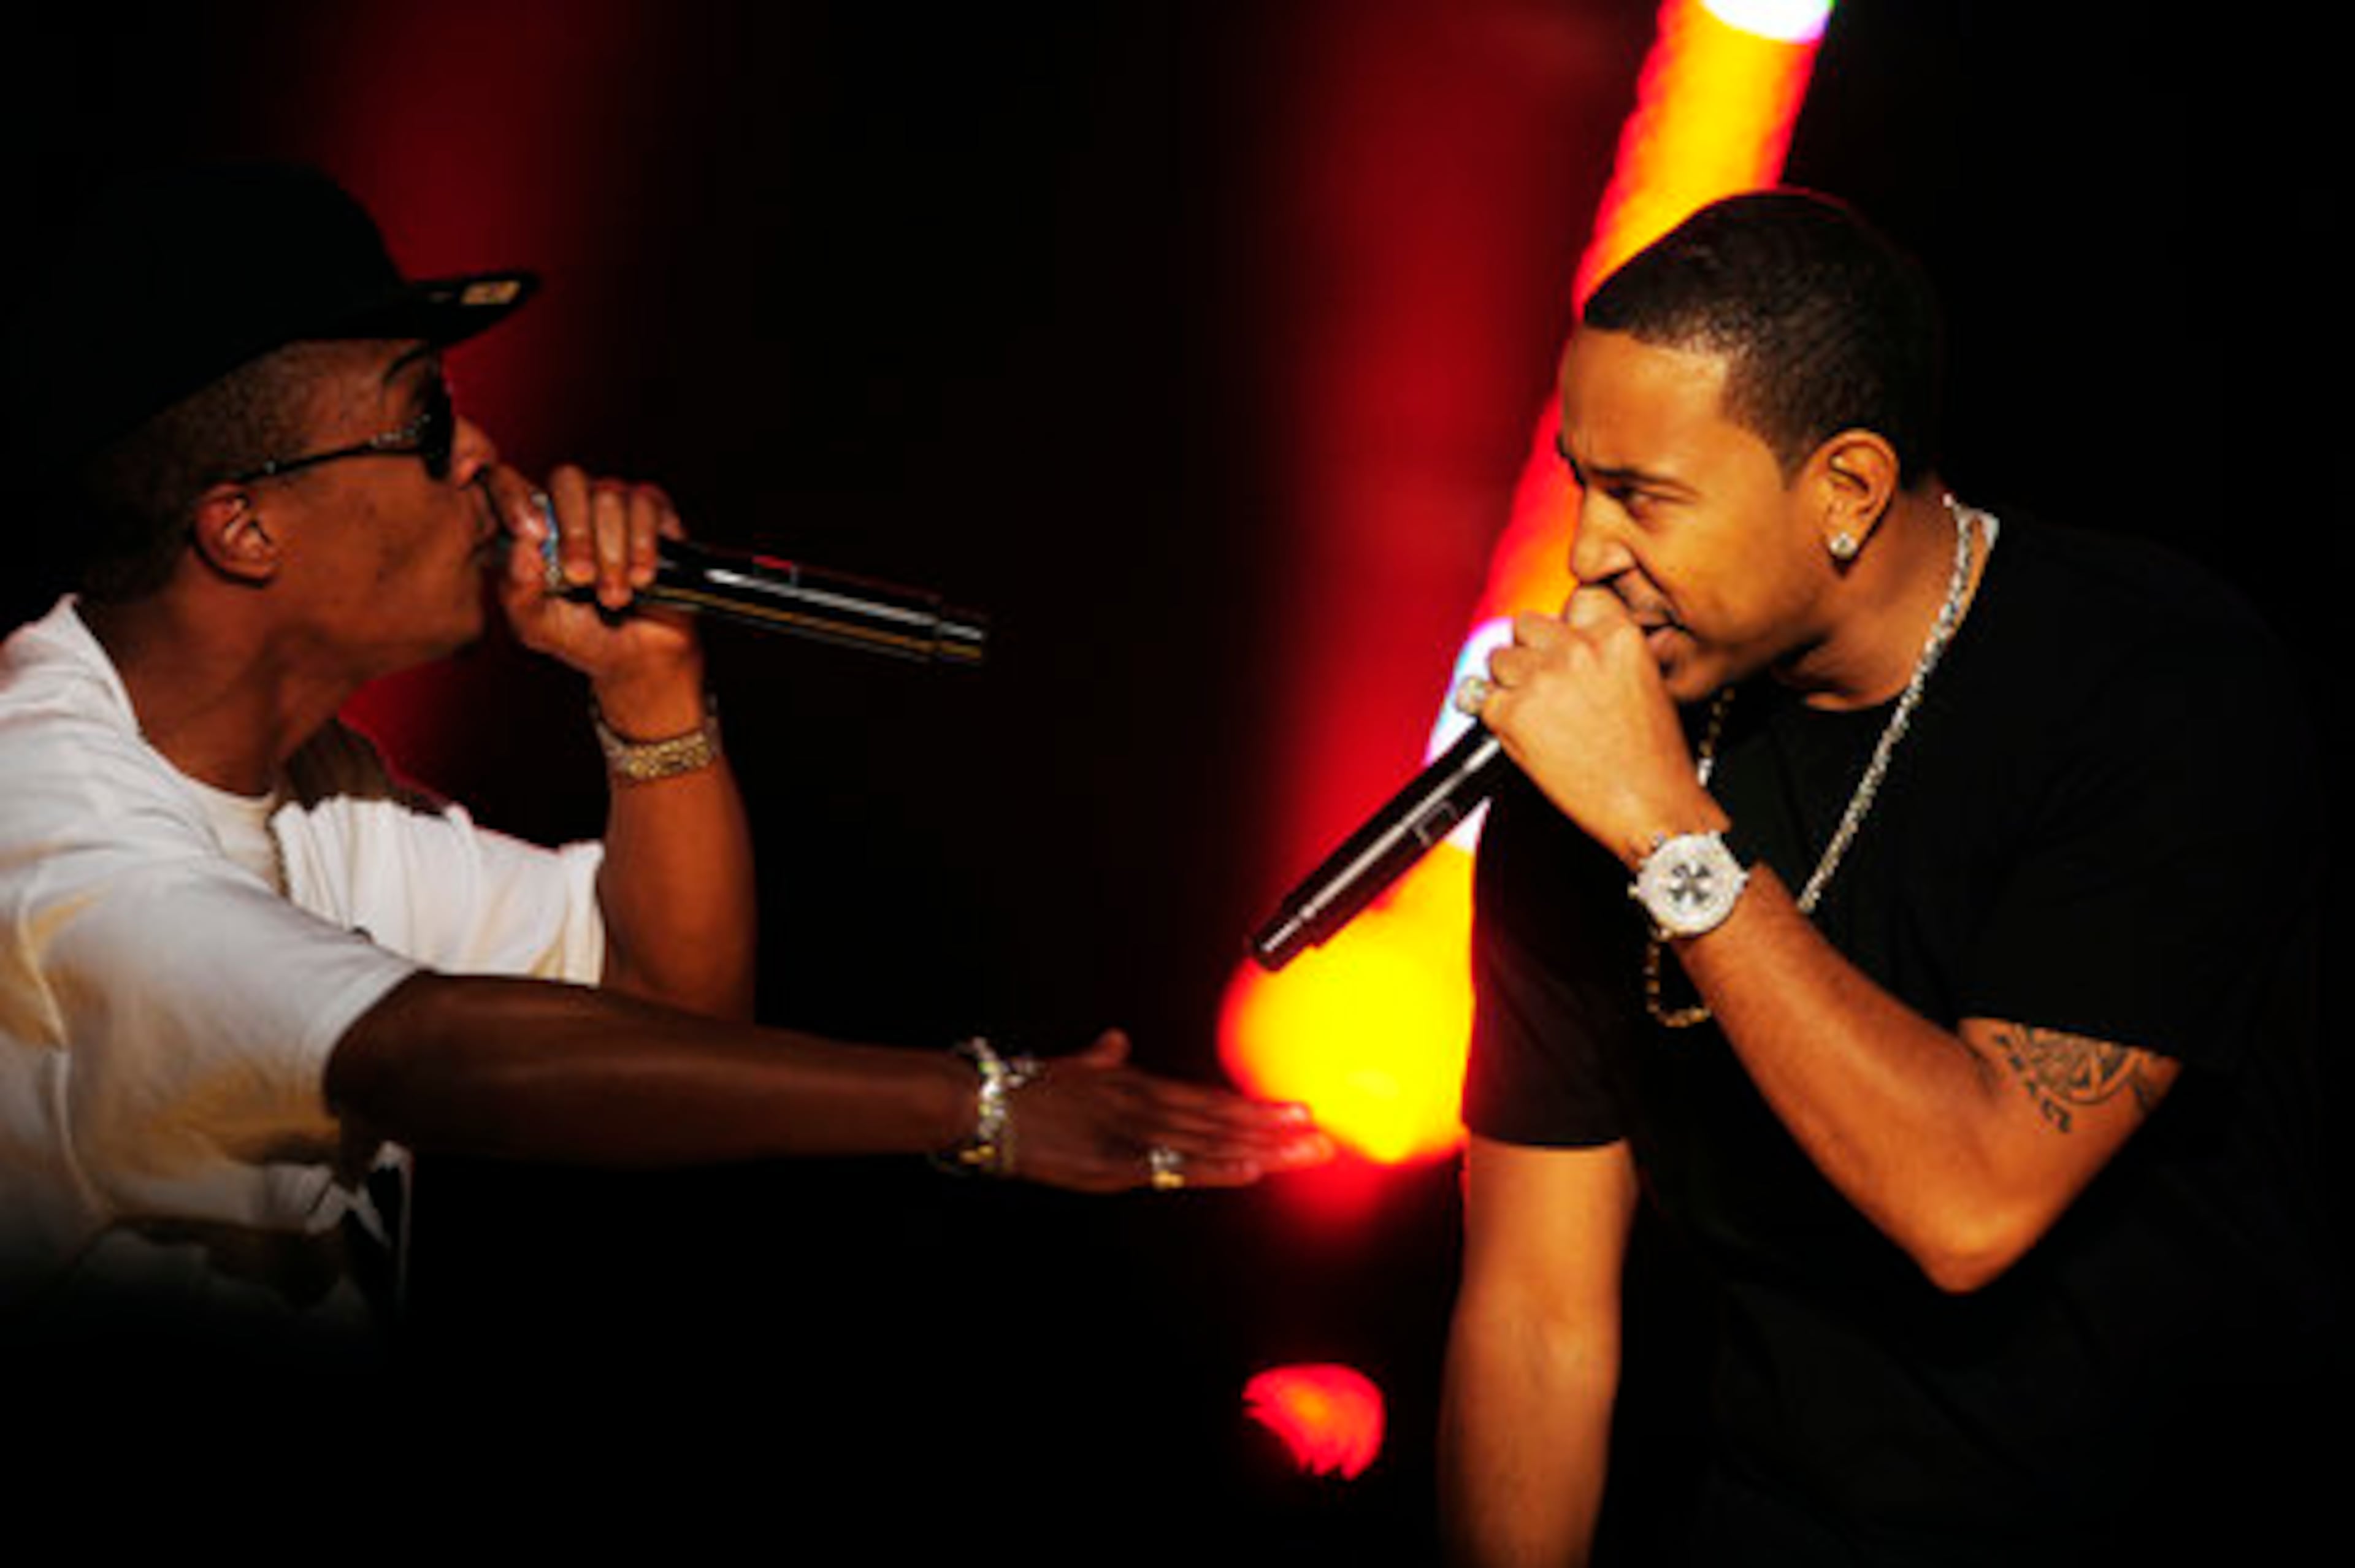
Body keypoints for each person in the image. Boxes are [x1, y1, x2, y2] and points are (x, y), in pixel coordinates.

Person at [0, 161, 1330, 1378]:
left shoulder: (313, 787)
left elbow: (674, 1003)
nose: (479, 456)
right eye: (425, 417)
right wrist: (980, 1104)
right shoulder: (44, 817)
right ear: (243, 525)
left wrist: (651, 686)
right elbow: (430, 1053)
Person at [1441, 189, 2340, 1565]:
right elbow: (1539, 1317)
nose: (1587, 552)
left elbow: (1971, 1204)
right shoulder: (1603, 768)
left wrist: (1668, 834)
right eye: (1580, 478)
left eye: (1643, 497)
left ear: (1846, 490)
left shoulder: (2155, 688)